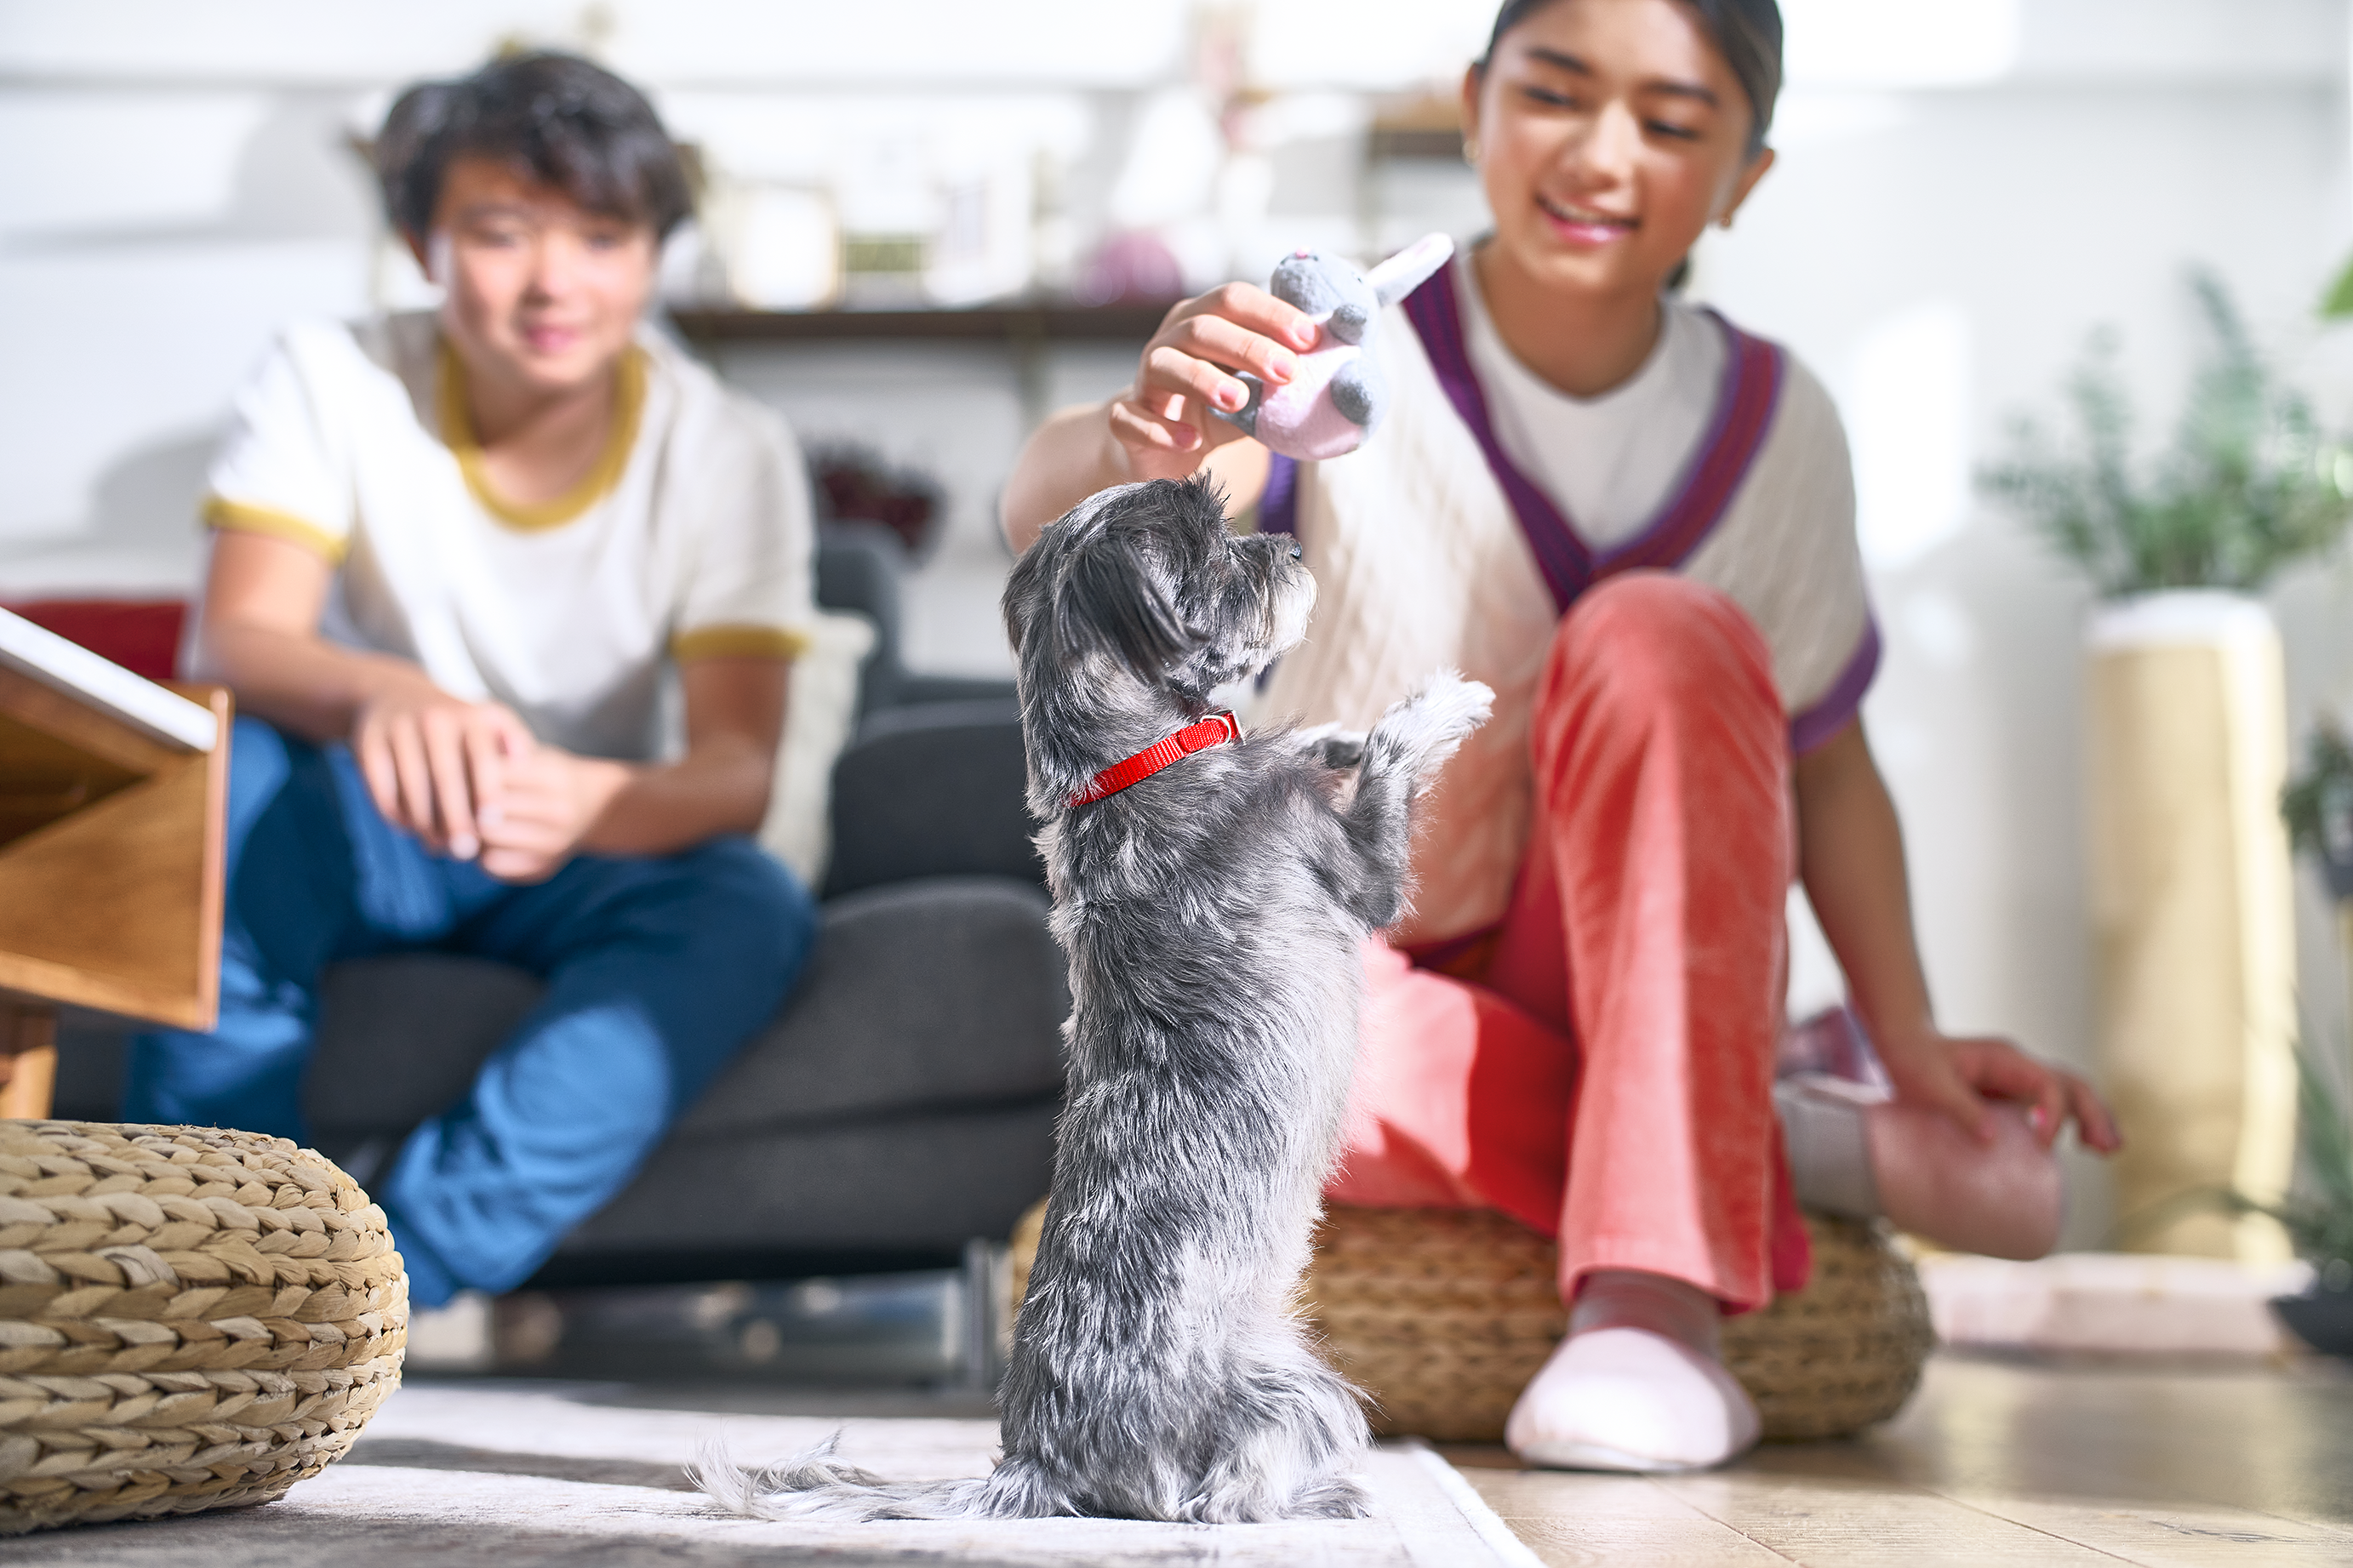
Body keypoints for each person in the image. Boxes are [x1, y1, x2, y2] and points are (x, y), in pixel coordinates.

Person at [1002, 0, 2122, 1473]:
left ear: (1746, 178)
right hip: (1377, 974)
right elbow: (1047, 519)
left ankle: (1655, 1297)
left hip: (1646, 978)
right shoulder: (1333, 366)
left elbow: (1829, 761)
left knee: (1662, 633)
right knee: (1250, 1039)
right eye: (1554, 94)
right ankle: (1785, 1142)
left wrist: (1913, 1043)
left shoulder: (1783, 425)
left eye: (1671, 122)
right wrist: (1141, 441)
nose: (1600, 155)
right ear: (1475, 107)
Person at [128, 52, 820, 1309]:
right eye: (502, 233)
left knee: (747, 904)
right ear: (422, 243)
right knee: (223, 783)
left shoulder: (732, 448)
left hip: (573, 833)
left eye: (603, 238)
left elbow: (736, 769)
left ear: (652, 256)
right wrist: (384, 693)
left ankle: (371, 1286)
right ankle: (203, 1254)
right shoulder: (327, 373)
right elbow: (231, 642)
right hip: (357, 811)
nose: (556, 281)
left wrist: (591, 801)